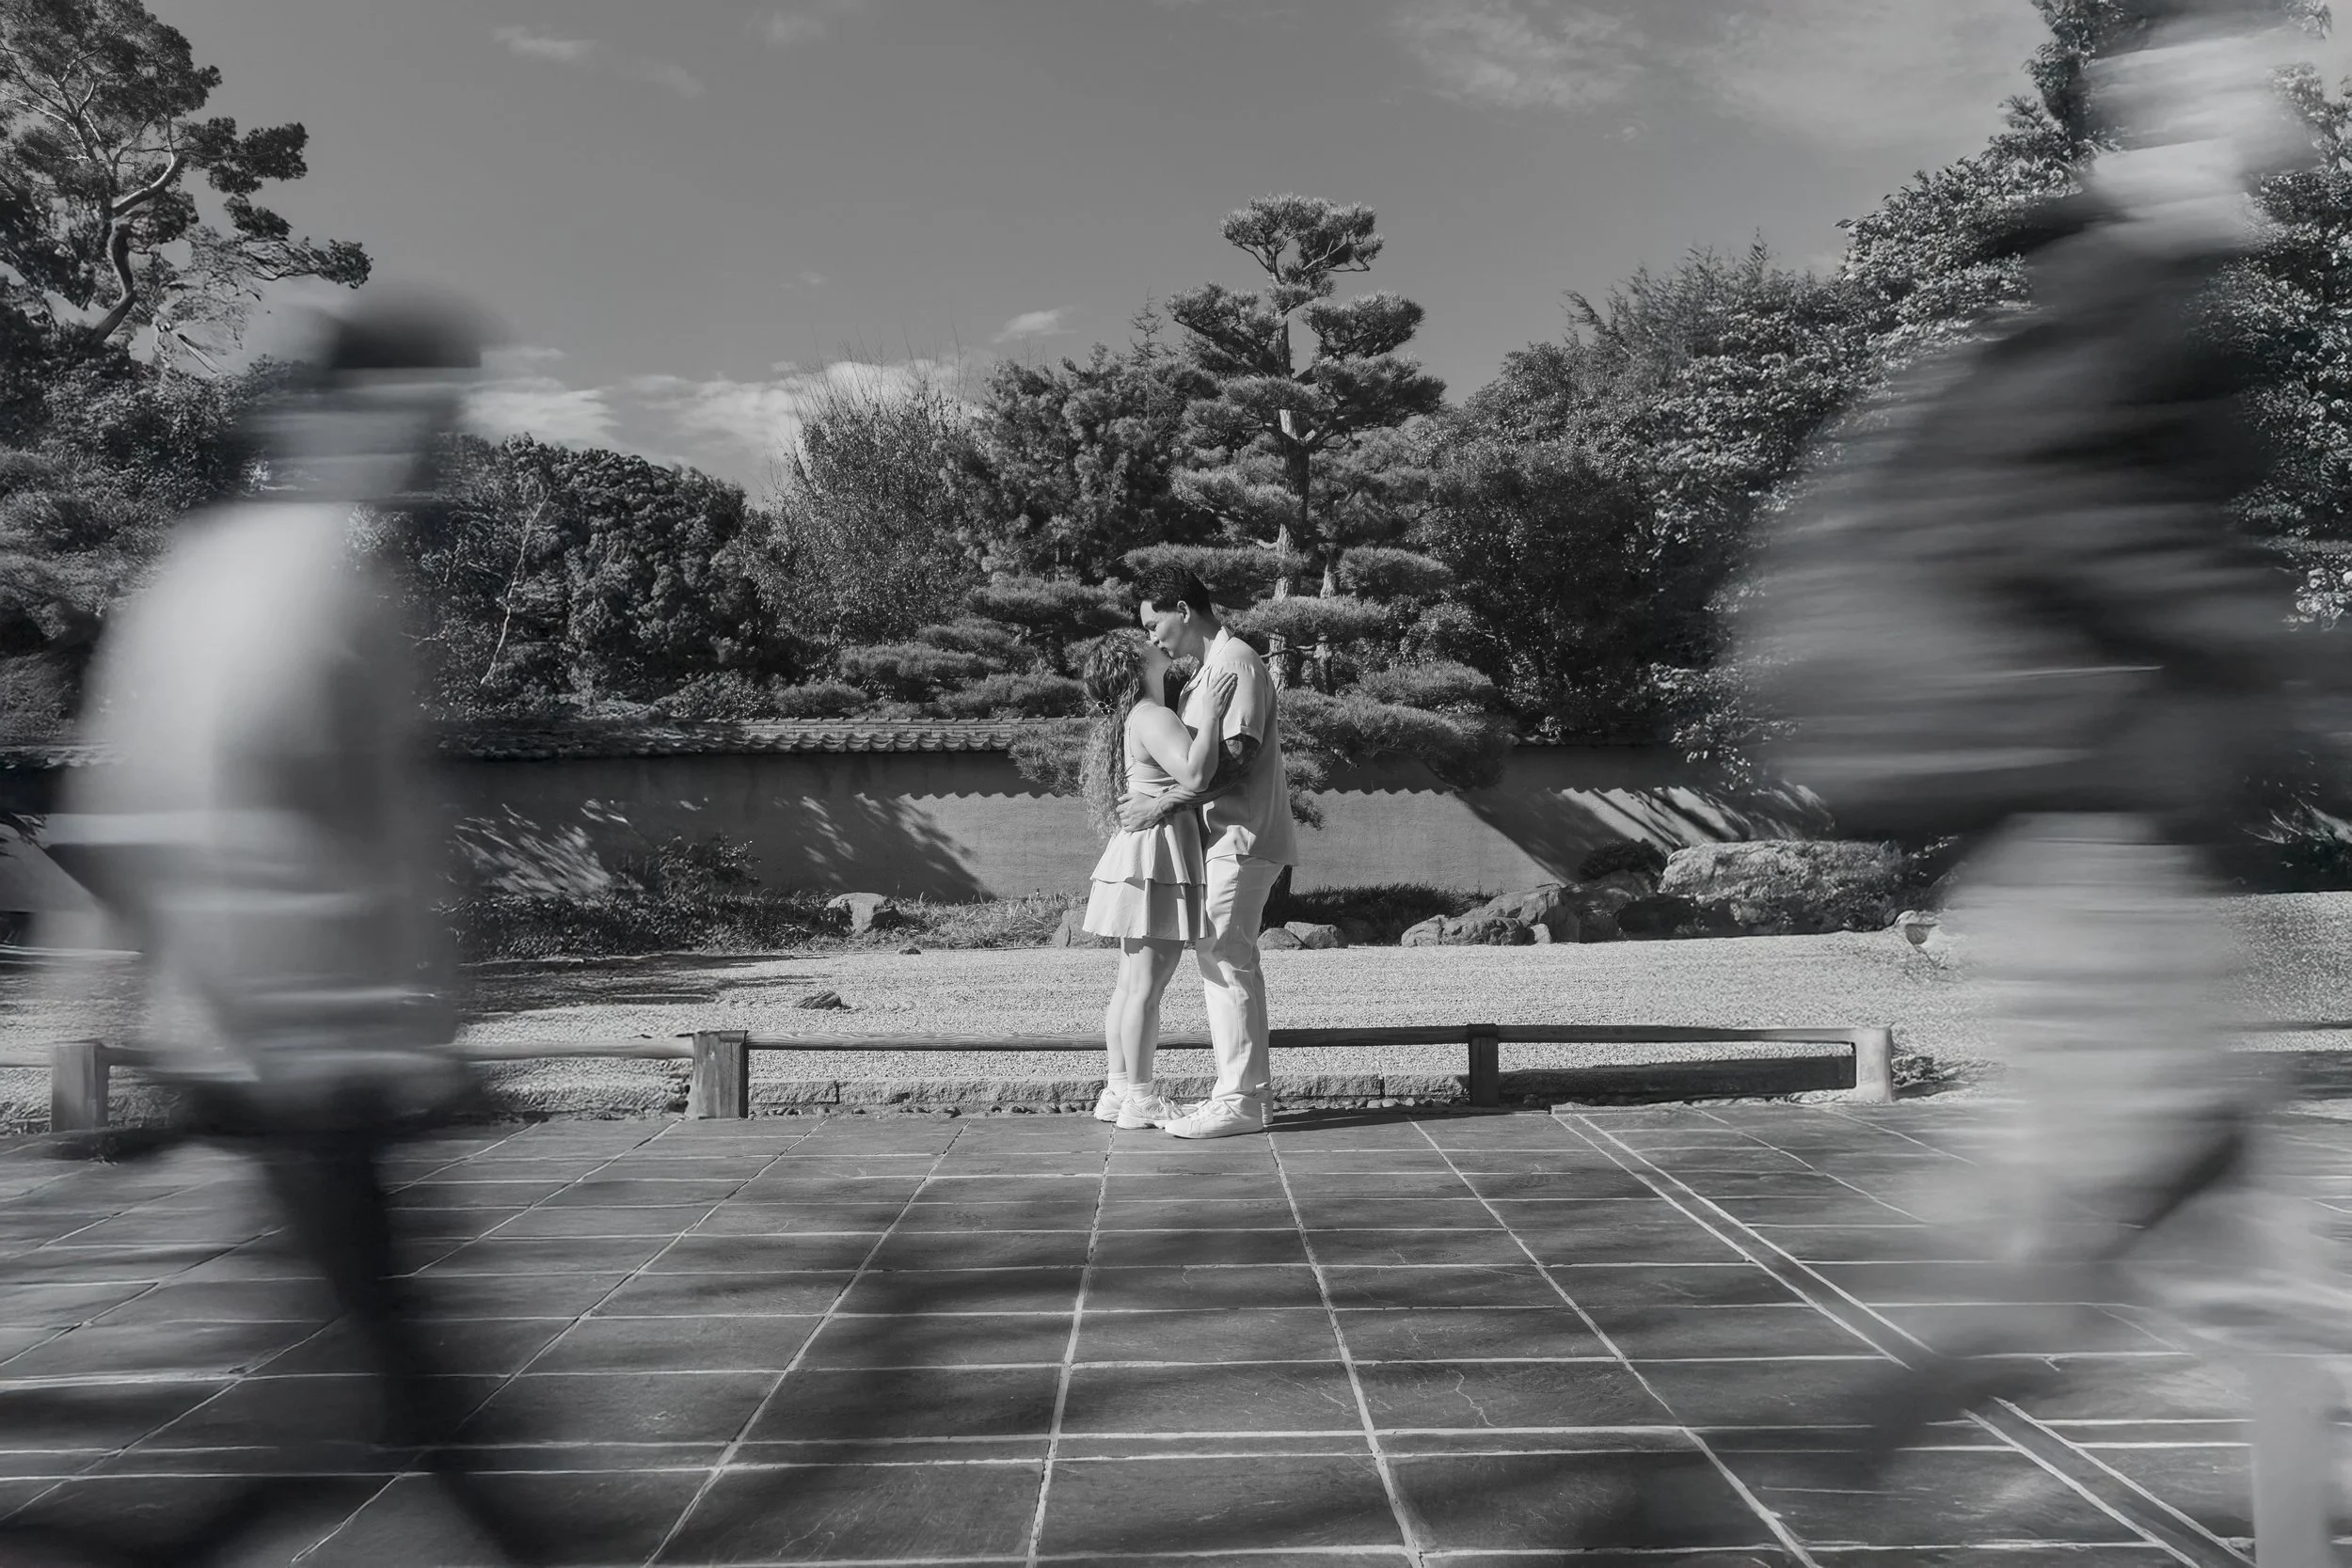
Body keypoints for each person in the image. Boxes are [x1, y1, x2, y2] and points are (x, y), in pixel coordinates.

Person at [1716, 2, 2352, 1560]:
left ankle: (2284, 1492)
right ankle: (1788, 1471)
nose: (2284, 105)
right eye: (2244, 92)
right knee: (2124, 1224)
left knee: (2186, 1205)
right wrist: (2295, 667)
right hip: (2102, 831)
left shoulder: (2110, 297)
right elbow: (2078, 537)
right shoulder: (2123, 307)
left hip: (2093, 830)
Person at [28, 290, 560, 1568]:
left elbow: (119, 810)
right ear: (341, 413)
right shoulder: (321, 583)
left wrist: (91, 1016)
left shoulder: (205, 568)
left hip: (270, 1039)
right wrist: (408, 1031)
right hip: (302, 1048)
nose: (441, 444)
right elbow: (287, 818)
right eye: (424, 415)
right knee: (411, 1401)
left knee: (355, 1401)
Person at [1119, 567, 1296, 1139]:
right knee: (1221, 955)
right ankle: (1240, 1094)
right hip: (1222, 840)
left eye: (1155, 623)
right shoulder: (1203, 676)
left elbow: (1238, 757)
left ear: (1183, 609)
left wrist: (1162, 806)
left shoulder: (1236, 660)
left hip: (1242, 835)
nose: (1152, 638)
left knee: (1225, 955)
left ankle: (1241, 1098)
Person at [1077, 632, 1238, 1130]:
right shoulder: (1154, 715)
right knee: (1146, 984)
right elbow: (1195, 776)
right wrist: (1210, 714)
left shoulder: (1137, 717)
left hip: (1141, 853)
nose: (1154, 639)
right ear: (1133, 662)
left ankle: (1119, 1089)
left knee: (1130, 984)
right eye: (1142, 641)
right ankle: (1140, 1100)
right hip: (1157, 855)